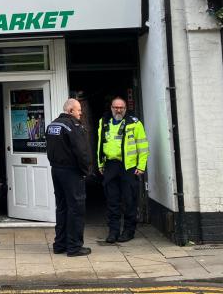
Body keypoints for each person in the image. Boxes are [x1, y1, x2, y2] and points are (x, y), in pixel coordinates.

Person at [96, 97, 149, 243]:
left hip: (129, 167)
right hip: (110, 166)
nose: (118, 110)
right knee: (112, 201)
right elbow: (100, 143)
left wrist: (141, 165)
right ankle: (113, 232)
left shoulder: (134, 123)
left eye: (121, 107)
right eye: (116, 107)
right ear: (111, 108)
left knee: (129, 200)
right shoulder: (104, 121)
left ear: (125, 108)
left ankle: (128, 231)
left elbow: (143, 145)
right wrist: (100, 163)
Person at [45, 98, 92, 257]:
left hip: (56, 171)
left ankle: (60, 244)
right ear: (70, 110)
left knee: (62, 207)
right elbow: (82, 151)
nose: (80, 113)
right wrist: (86, 170)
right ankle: (74, 247)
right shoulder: (73, 126)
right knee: (76, 209)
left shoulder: (52, 125)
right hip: (71, 172)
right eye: (78, 110)